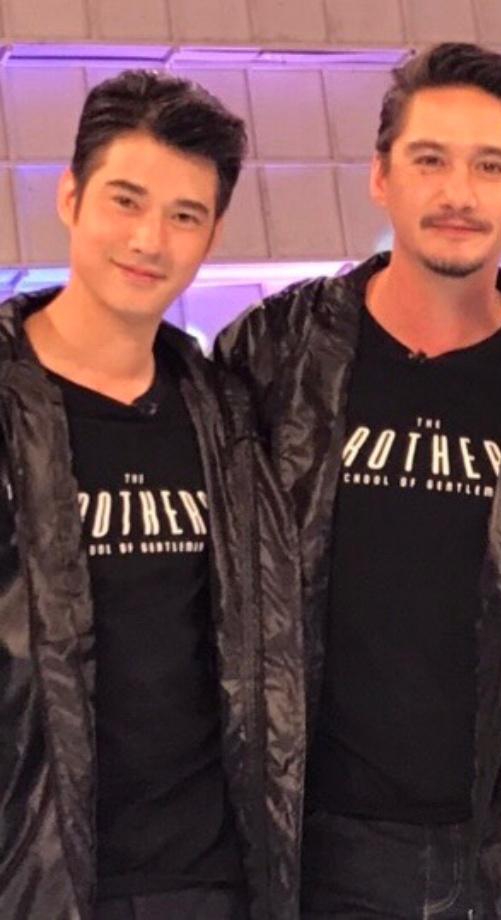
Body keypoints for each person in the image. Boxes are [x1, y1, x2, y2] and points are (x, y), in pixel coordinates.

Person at [216, 42, 501, 920]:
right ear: (381, 176)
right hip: (319, 854)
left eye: (490, 165)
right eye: (430, 159)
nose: (457, 192)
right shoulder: (272, 356)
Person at [0, 70, 304, 920]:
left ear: (211, 236)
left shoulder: (228, 415)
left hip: (209, 877)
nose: (149, 240)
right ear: (71, 197)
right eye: (126, 201)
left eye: (184, 216)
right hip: (36, 879)